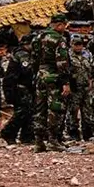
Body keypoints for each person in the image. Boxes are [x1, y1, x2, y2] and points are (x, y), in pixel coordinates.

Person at [32, 13, 73, 152]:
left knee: (40, 108)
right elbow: (62, 62)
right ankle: (53, 140)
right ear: (60, 25)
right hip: (53, 77)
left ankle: (38, 141)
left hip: (40, 75)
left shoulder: (39, 37)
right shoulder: (58, 39)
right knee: (55, 108)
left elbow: (34, 57)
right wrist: (66, 82)